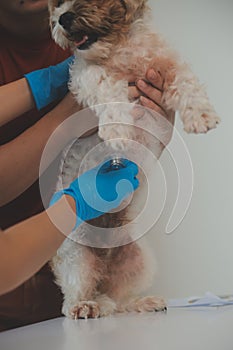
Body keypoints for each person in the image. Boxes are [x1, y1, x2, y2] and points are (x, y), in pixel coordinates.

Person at [0, 0, 175, 331]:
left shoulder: (102, 36)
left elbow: (145, 145)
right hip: (15, 288)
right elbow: (4, 259)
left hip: (92, 295)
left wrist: (154, 124)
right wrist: (71, 116)